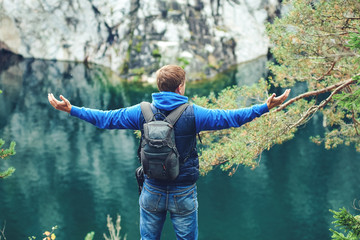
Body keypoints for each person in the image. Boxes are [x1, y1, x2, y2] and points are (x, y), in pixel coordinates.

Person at [48, 65, 290, 240]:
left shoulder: (141, 112)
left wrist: (72, 109)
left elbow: (105, 119)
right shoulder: (194, 113)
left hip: (151, 190)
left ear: (159, 87)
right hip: (183, 192)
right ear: (180, 86)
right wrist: (265, 107)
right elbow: (232, 118)